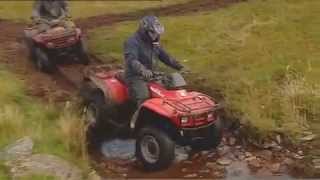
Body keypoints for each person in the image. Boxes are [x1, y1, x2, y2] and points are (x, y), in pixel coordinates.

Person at [124, 15, 184, 106]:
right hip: (135, 76)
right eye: (153, 33)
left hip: (152, 75)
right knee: (144, 96)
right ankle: (139, 117)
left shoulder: (154, 43)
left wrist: (180, 66)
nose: (155, 36)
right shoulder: (132, 42)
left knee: (173, 87)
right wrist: (142, 69)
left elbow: (165, 57)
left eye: (157, 33)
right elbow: (131, 59)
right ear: (144, 31)